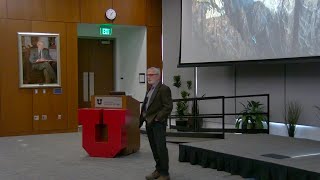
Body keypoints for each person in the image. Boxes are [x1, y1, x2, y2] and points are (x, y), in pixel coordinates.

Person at [139, 67, 173, 180]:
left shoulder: (164, 89)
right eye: (147, 74)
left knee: (161, 148)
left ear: (158, 76)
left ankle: (164, 174)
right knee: (154, 148)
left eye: (151, 75)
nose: (148, 77)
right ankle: (158, 170)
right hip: (149, 123)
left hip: (158, 124)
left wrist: (158, 118)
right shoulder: (150, 89)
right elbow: (146, 106)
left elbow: (168, 107)